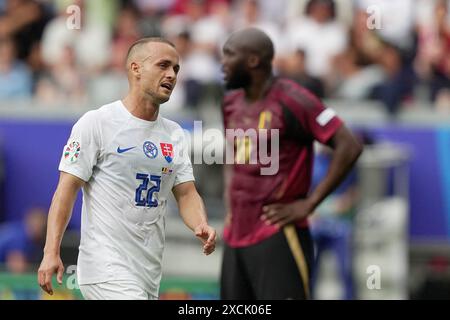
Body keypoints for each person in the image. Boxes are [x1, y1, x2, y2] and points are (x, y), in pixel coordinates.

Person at [37, 37, 217, 300]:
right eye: (163, 65)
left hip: (147, 271)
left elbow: (187, 193)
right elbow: (66, 190)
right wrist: (50, 252)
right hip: (104, 268)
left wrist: (200, 223)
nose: (171, 75)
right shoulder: (97, 123)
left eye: (176, 69)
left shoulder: (174, 134)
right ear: (135, 69)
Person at [220, 28, 362, 300]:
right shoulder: (230, 103)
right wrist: (231, 202)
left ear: (253, 61)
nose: (222, 62)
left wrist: (309, 204)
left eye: (229, 54)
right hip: (236, 233)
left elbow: (350, 145)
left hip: (278, 233)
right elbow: (234, 156)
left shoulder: (294, 99)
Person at [0, 206, 47, 273]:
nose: (38, 229)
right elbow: (17, 269)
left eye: (42, 226)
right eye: (36, 225)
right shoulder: (18, 237)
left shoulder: (30, 238)